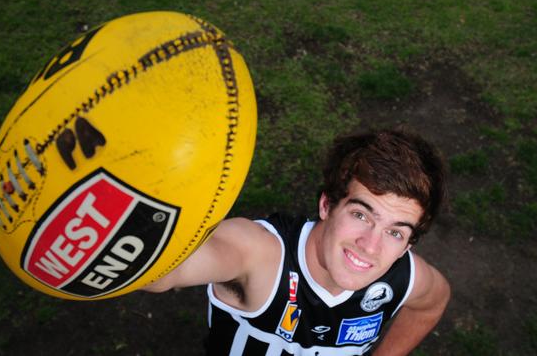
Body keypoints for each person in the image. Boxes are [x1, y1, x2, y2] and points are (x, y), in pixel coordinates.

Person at [143, 129, 451, 355]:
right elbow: (164, 270)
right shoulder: (260, 255)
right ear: (327, 206)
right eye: (360, 215)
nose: (370, 245)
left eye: (395, 232)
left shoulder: (403, 277)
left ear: (408, 245)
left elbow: (432, 302)